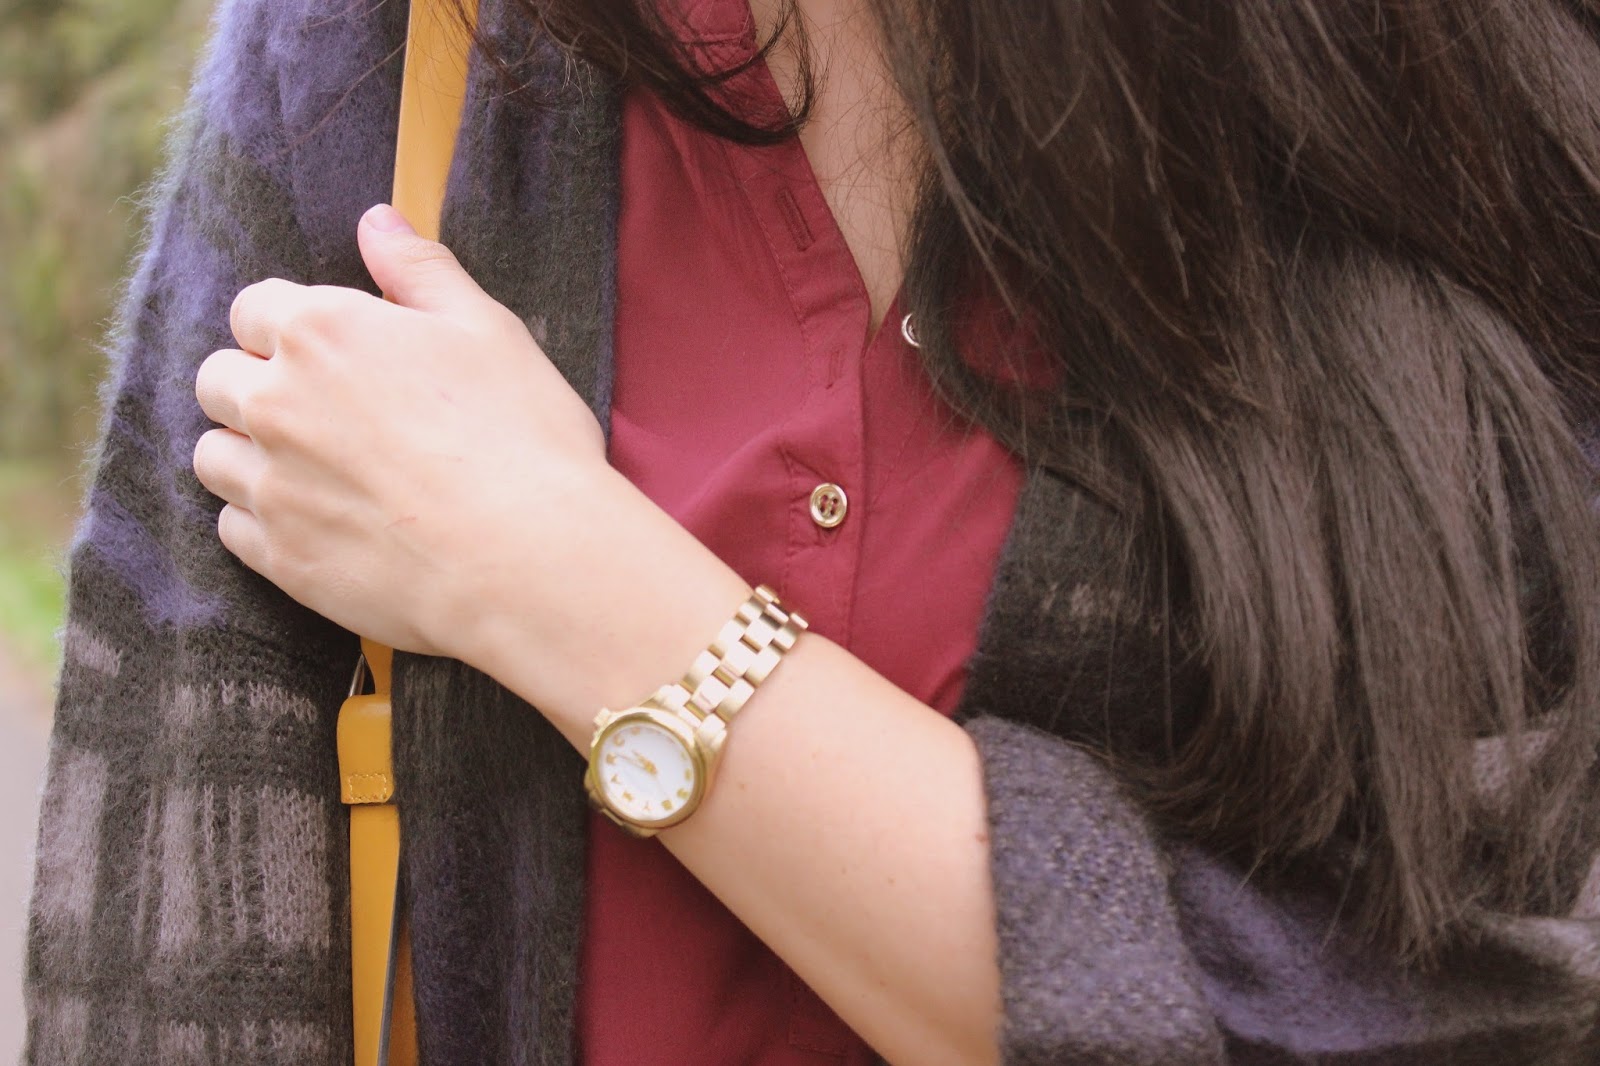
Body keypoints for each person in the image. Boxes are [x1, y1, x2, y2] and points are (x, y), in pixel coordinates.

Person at [23, 0, 1600, 1061]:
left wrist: (563, 574)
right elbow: (177, 920)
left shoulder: (1439, 87)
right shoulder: (387, 56)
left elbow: (1496, 980)